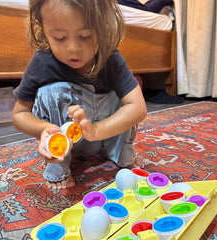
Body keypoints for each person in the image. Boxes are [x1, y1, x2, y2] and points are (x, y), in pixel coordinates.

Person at [12, 0, 147, 190]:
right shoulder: (42, 61)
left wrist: (96, 130)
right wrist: (44, 130)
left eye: (86, 36)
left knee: (125, 96)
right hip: (66, 141)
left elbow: (138, 108)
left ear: (105, 25)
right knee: (51, 92)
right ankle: (58, 167)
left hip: (103, 133)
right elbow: (19, 114)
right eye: (59, 37)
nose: (73, 48)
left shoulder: (110, 57)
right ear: (41, 28)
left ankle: (121, 153)